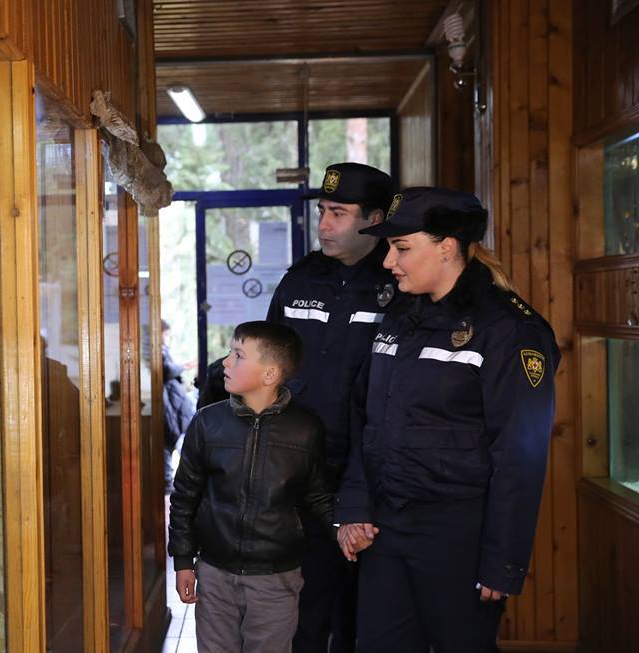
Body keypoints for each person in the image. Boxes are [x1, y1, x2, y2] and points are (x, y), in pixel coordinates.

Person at [334, 187, 560, 653]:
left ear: (447, 246)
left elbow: (520, 455)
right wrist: (354, 507)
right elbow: (366, 421)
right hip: (387, 530)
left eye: (401, 248)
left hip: (459, 535)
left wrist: (503, 560)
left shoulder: (508, 330)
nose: (387, 262)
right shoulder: (398, 318)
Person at [266, 161, 397, 653]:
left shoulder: (399, 283)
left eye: (338, 213)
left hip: (372, 478)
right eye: (322, 211)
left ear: (375, 219)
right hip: (300, 474)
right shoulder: (301, 278)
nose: (323, 224)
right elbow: (267, 363)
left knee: (364, 618)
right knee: (303, 612)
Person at [168, 321, 334, 653]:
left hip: (277, 578)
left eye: (238, 355)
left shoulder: (306, 428)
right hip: (214, 573)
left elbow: (319, 496)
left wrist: (345, 529)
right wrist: (184, 560)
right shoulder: (207, 423)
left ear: (270, 375)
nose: (226, 362)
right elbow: (185, 497)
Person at [161, 319, 196, 492]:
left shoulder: (162, 351)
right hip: (169, 410)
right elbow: (166, 370)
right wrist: (183, 366)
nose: (167, 338)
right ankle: (169, 485)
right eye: (166, 335)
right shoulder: (157, 351)